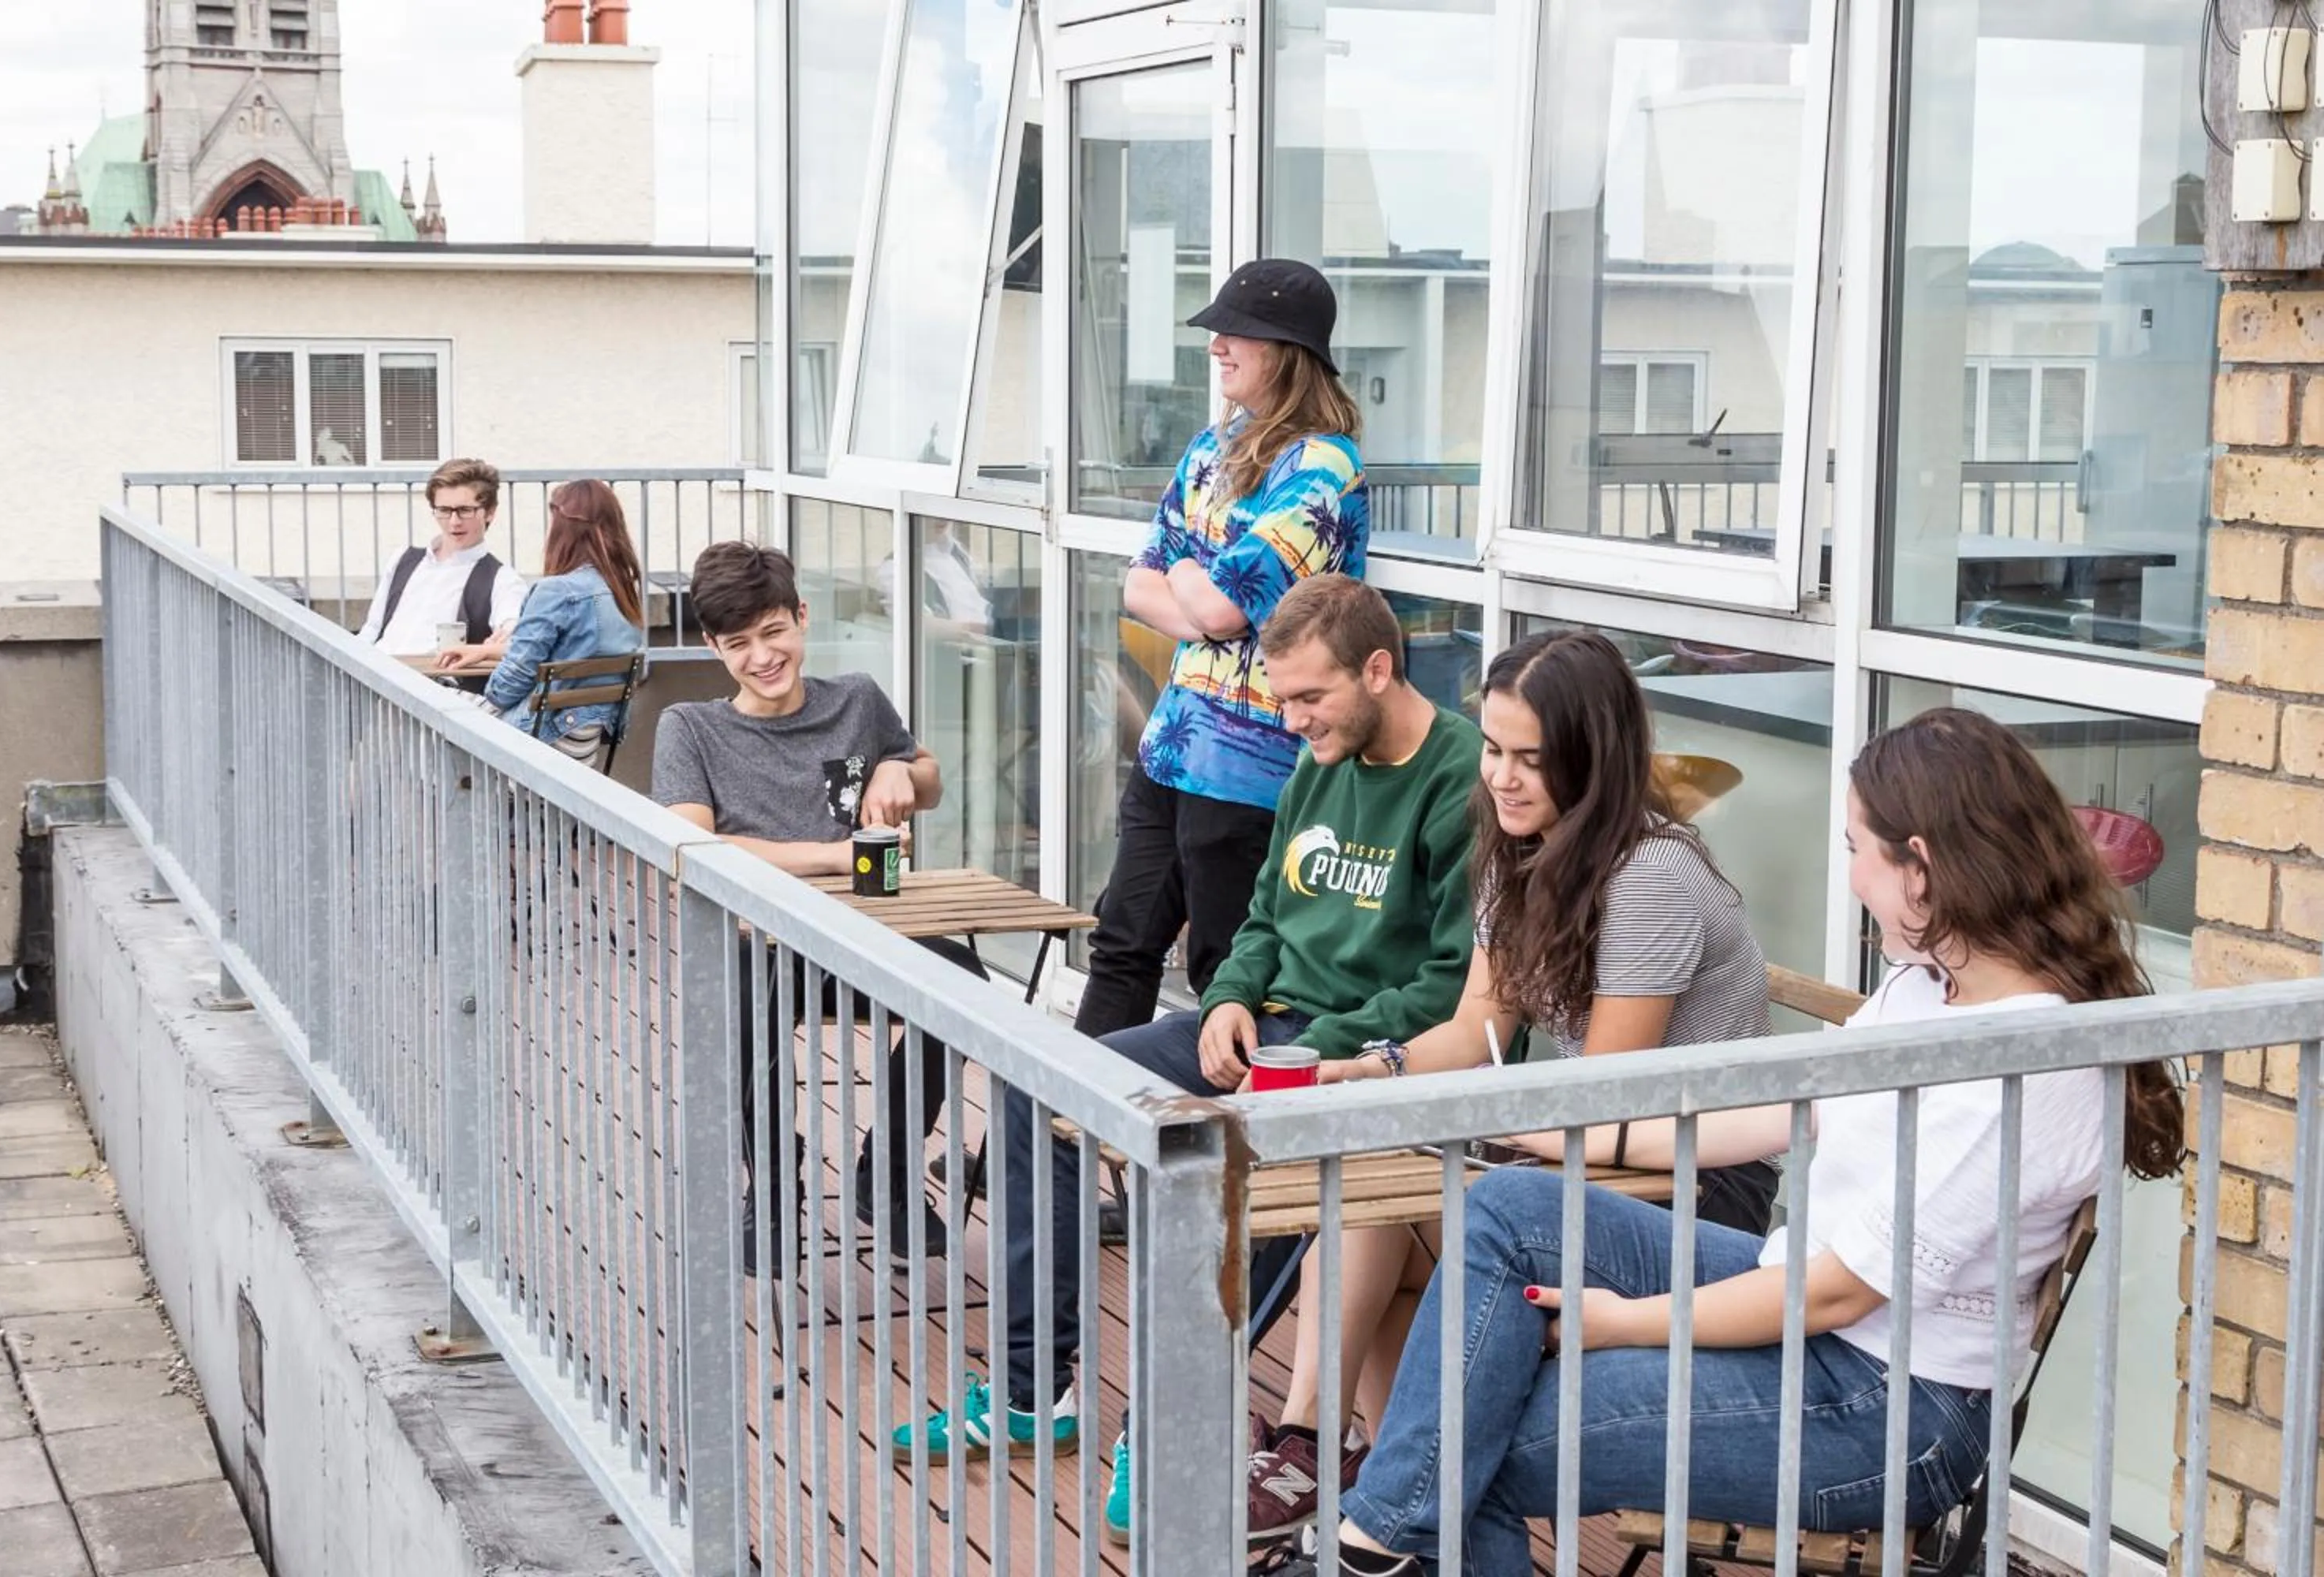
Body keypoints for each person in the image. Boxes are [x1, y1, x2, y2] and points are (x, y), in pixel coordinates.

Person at [1298, 706, 2185, 1577]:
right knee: (1507, 1209)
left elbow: (1837, 1294)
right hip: (1809, 1306)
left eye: (1856, 849)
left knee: (1478, 1445)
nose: (1850, 876)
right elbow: (1777, 1115)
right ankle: (1378, 1538)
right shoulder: (1929, 986)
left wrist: (1623, 1323)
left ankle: (1370, 1539)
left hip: (1886, 1404)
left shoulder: (2029, 1064)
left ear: (1921, 867)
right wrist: (1515, 1116)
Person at [893, 576, 1482, 1549]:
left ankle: (1165, 1420)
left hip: (1358, 1058)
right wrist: (1230, 997)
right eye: (1282, 698)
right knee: (1043, 1086)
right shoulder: (1318, 761)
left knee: (1224, 1167)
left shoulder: (1459, 778)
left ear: (1379, 669)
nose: (1291, 721)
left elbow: (1451, 987)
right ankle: (1036, 1393)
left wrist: (1318, 1043)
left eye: (1309, 696)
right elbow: (1264, 917)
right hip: (1266, 1026)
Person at [1244, 628, 1779, 1542]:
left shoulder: (1651, 873)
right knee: (1377, 1199)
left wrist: (1471, 1120)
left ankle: (1351, 1476)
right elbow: (1478, 1025)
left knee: (1392, 1213)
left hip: (1695, 1184)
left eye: (1532, 758)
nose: (1501, 776)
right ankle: (1365, 1474)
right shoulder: (1517, 847)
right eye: (1493, 748)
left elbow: (1606, 1092)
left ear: (1594, 757)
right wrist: (1369, 1070)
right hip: (1590, 1159)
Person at [651, 541, 977, 1268]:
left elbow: (928, 779)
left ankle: (887, 1173)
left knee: (964, 981)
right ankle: (771, 1188)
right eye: (739, 644)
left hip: (863, 938)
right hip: (753, 945)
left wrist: (898, 769)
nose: (763, 657)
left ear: (801, 617)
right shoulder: (690, 728)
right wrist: (833, 857)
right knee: (745, 996)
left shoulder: (856, 699)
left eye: (774, 632)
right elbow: (693, 848)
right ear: (713, 646)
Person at [1077, 258, 1370, 1046]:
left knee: (1227, 976)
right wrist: (1199, 589)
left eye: (1236, 333)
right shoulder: (1213, 447)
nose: (1217, 347)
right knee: (1121, 945)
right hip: (1172, 747)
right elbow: (1138, 588)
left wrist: (1188, 573)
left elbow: (1210, 603)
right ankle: (1071, 1116)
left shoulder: (1323, 467)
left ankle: (1221, 1129)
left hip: (1254, 765)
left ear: (1288, 349)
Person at [472, 479, 646, 760]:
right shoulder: (623, 590)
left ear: (563, 530)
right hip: (583, 742)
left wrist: (487, 689)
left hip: (540, 740)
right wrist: (489, 652)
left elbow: (509, 686)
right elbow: (572, 653)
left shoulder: (557, 592)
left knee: (437, 705)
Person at [356, 457, 526, 661]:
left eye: (465, 510)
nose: (454, 522)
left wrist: (503, 638)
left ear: (490, 513)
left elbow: (516, 638)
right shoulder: (403, 559)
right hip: (379, 672)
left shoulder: (503, 580)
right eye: (444, 510)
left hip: (438, 679)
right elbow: (372, 629)